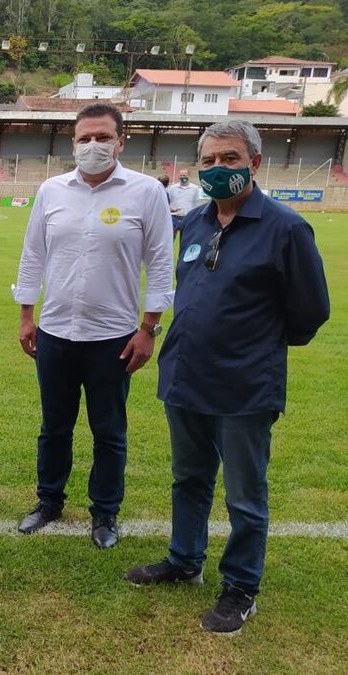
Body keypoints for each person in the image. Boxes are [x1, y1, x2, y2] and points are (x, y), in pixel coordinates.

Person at [126, 119, 329, 635]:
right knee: (189, 479)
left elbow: (310, 311)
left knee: (244, 495)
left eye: (230, 159)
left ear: (255, 164)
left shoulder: (286, 228)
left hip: (245, 387)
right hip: (186, 378)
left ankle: (240, 586)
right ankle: (185, 561)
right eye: (210, 160)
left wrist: (253, 349)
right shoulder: (194, 223)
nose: (218, 169)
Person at [12, 102, 173, 549]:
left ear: (121, 141)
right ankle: (48, 502)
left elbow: (160, 262)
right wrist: (27, 315)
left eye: (103, 137)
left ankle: (105, 513)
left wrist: (149, 327)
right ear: (73, 143)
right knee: (54, 427)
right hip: (56, 332)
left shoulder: (145, 193)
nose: (94, 145)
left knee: (109, 431)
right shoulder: (52, 191)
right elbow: (33, 255)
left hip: (114, 338)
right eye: (85, 138)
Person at [167, 168, 203, 235]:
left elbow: (196, 203)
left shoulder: (195, 188)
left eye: (184, 175)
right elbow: (167, 202)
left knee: (185, 239)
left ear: (189, 176)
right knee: (170, 238)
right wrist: (171, 208)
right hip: (174, 217)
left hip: (188, 218)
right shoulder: (172, 188)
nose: (182, 177)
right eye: (181, 175)